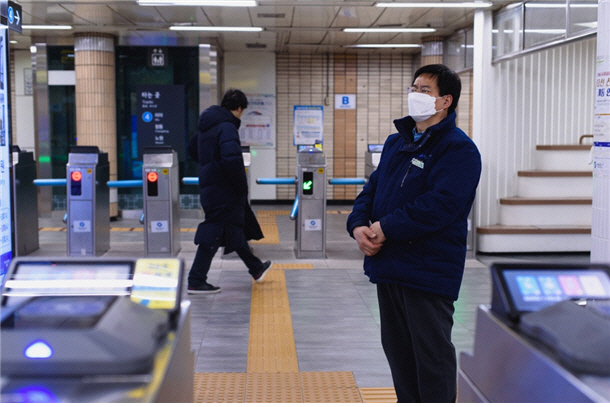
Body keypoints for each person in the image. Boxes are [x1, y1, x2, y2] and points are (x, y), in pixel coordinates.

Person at [346, 64, 481, 402]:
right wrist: (359, 225)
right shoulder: (397, 143)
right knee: (399, 352)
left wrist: (386, 227)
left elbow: (441, 205)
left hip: (427, 270)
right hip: (390, 265)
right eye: (414, 88)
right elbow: (372, 189)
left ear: (445, 101)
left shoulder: (458, 149)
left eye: (425, 90)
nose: (415, 95)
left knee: (430, 355)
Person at [187, 89, 272, 294]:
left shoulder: (207, 125)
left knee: (233, 227)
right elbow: (232, 160)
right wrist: (241, 185)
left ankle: (256, 267)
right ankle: (196, 279)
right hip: (224, 188)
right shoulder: (226, 126)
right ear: (239, 108)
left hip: (212, 186)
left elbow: (191, 149)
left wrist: (209, 165)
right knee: (214, 229)